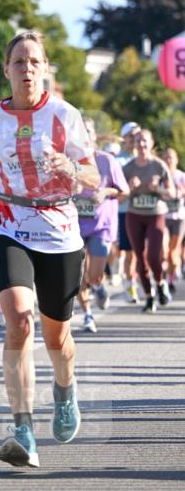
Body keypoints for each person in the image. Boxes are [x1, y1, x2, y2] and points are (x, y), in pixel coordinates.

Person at [0, 30, 100, 469]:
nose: (27, 69)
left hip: (58, 228)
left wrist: (71, 167)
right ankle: (23, 430)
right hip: (6, 222)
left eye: (34, 62)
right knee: (18, 322)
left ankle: (64, 390)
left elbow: (93, 177)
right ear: (6, 70)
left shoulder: (65, 115)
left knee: (57, 337)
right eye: (19, 62)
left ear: (44, 68)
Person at [75, 118, 129, 333]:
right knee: (77, 274)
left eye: (87, 131)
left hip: (101, 225)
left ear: (94, 135)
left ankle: (98, 285)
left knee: (95, 274)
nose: (83, 135)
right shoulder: (68, 160)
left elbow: (124, 192)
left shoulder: (106, 160)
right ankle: (87, 314)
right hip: (74, 226)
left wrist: (105, 191)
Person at [123, 130, 174, 312]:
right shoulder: (128, 168)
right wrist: (129, 188)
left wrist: (158, 189)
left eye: (144, 141)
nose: (141, 145)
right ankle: (149, 296)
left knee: (153, 256)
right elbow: (119, 198)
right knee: (139, 257)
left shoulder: (159, 166)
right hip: (134, 215)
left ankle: (160, 283)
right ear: (134, 144)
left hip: (155, 214)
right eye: (138, 141)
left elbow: (172, 193)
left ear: (151, 143)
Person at [115, 122, 141, 302]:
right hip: (125, 211)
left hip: (147, 212)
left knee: (142, 251)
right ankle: (130, 285)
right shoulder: (118, 161)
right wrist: (128, 188)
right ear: (124, 138)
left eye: (137, 135)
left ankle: (140, 280)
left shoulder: (146, 158)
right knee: (130, 252)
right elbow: (116, 190)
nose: (134, 139)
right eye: (130, 136)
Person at [163, 147, 185, 295]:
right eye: (166, 157)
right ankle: (163, 279)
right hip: (163, 218)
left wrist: (182, 191)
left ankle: (170, 280)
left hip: (179, 218)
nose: (169, 160)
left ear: (176, 160)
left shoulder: (181, 176)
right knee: (164, 251)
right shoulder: (160, 175)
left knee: (173, 254)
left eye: (171, 157)